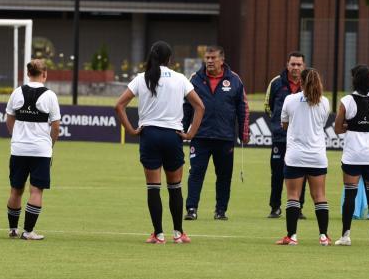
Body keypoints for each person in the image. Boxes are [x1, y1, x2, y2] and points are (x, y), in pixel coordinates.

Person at [115, 41, 205, 244]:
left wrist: (130, 130)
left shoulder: (141, 78)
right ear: (170, 59)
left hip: (150, 136)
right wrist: (190, 133)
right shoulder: (180, 79)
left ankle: (158, 234)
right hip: (172, 136)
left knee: (153, 187)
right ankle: (179, 233)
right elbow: (200, 106)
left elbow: (119, 105)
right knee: (175, 187)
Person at [183, 45, 248, 221]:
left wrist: (244, 132)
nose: (210, 61)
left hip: (224, 137)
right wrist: (182, 129)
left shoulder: (234, 80)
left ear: (222, 60)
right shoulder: (195, 79)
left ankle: (220, 210)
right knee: (195, 173)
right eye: (207, 58)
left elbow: (242, 108)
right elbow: (187, 106)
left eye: (213, 58)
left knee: (224, 176)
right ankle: (191, 209)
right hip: (200, 136)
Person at [333, 66, 369, 246]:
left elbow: (337, 128)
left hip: (352, 156)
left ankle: (345, 236)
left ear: (354, 82)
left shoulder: (346, 101)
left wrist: (350, 126)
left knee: (350, 195)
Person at [5, 59, 61, 241]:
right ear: (44, 74)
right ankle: (28, 232)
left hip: (18, 149)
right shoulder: (50, 95)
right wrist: (49, 145)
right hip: (40, 151)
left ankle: (13, 229)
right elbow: (55, 126)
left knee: (15, 190)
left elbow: (9, 119)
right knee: (36, 191)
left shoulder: (16, 92)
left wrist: (17, 137)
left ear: (28, 74)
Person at [276, 68, 333, 245]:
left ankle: (291, 236)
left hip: (295, 156)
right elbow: (322, 124)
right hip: (317, 156)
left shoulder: (290, 100)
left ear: (301, 82)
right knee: (319, 195)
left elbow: (284, 124)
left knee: (293, 195)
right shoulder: (324, 102)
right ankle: (324, 236)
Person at [264, 52, 305, 218]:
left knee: (300, 174)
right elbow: (269, 106)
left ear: (303, 66)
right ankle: (275, 207)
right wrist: (278, 124)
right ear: (287, 64)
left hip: (301, 139)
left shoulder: (308, 83)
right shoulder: (276, 82)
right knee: (277, 173)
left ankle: (298, 208)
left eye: (298, 65)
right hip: (281, 138)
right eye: (292, 64)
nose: (295, 67)